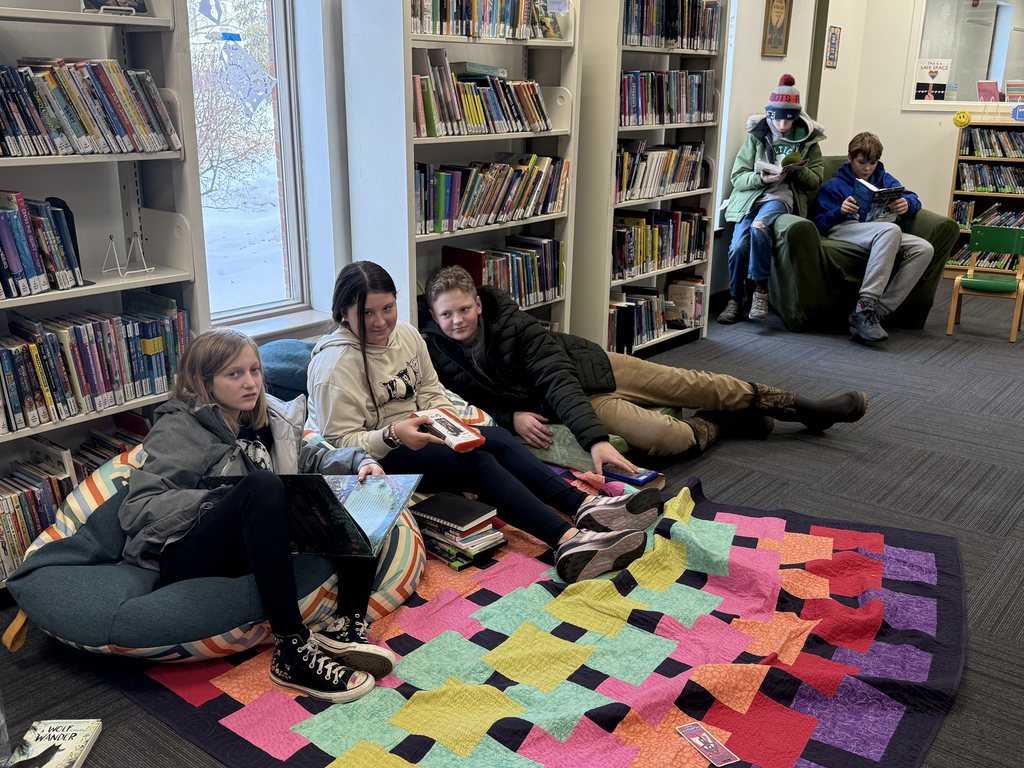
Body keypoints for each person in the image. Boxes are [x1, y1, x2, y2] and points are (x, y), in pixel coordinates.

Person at [304, 261, 663, 585]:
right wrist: (393, 434)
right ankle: (567, 541)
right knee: (477, 463)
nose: (381, 322)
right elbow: (340, 444)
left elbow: (431, 389)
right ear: (343, 313)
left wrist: (445, 423)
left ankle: (583, 507)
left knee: (498, 439)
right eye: (367, 313)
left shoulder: (408, 335)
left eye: (387, 308)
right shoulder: (334, 367)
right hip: (382, 457)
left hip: (424, 431)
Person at [118, 329, 396, 704]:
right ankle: (291, 649)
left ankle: (346, 624)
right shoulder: (179, 427)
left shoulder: (267, 415)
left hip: (260, 537)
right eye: (234, 375)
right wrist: (227, 497)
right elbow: (142, 506)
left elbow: (307, 460)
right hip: (188, 550)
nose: (250, 383)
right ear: (204, 381)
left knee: (360, 490)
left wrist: (358, 463)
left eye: (254, 371)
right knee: (263, 485)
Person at [421, 265, 869, 464]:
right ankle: (728, 424)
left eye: (463, 309)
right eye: (446, 314)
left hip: (590, 371)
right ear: (435, 317)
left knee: (694, 384)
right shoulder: (435, 352)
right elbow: (461, 401)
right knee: (663, 438)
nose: (457, 320)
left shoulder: (517, 327)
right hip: (577, 405)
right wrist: (509, 415)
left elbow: (557, 381)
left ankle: (806, 407)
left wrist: (594, 442)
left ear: (477, 304)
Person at [720, 74, 826, 324]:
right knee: (737, 247)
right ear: (769, 114)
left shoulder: (809, 142)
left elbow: (815, 182)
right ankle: (735, 299)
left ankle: (760, 291)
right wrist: (761, 179)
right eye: (776, 117)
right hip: (751, 199)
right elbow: (738, 178)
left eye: (787, 119)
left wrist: (799, 171)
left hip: (780, 198)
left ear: (796, 117)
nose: (780, 124)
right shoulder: (755, 137)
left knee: (759, 227)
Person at [814, 132, 935, 343]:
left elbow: (913, 197)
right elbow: (820, 223)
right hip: (845, 228)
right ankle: (865, 305)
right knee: (890, 230)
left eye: (873, 162)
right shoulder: (834, 186)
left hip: (879, 231)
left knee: (924, 248)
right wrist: (839, 211)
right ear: (850, 158)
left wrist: (907, 204)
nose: (867, 168)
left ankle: (877, 312)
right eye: (861, 162)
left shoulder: (884, 178)